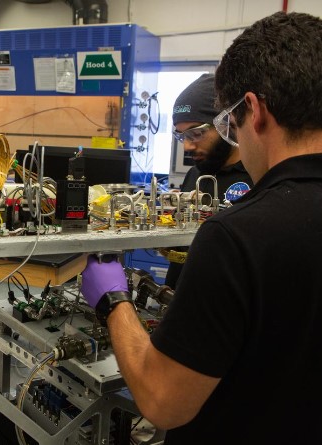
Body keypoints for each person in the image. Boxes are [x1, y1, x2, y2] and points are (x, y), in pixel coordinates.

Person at [81, 11, 322, 444]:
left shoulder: (240, 234)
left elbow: (162, 402)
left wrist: (113, 301)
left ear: (254, 110)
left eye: (231, 123)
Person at [163, 73, 253, 288]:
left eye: (196, 134)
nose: (187, 147)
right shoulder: (196, 174)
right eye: (182, 136)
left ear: (225, 124)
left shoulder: (255, 176)